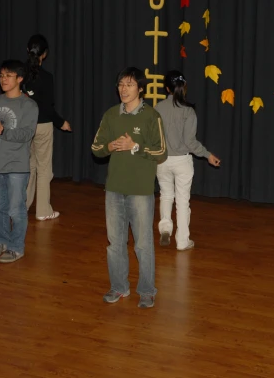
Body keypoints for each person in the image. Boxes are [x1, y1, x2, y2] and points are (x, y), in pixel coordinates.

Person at [91, 67, 167, 308]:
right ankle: (118, 287)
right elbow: (96, 148)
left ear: (141, 89)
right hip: (114, 188)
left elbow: (162, 152)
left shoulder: (152, 116)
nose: (124, 89)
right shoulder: (111, 115)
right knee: (115, 242)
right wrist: (110, 147)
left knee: (143, 243)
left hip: (141, 190)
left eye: (130, 85)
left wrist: (135, 146)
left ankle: (146, 290)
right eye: (121, 84)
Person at [0, 60, 38, 264]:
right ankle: (1, 240)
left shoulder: (28, 105)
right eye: (1, 75)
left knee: (16, 208)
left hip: (17, 166)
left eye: (8, 75)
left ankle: (16, 246)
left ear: (19, 79)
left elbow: (27, 133)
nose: (3, 79)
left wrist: (3, 130)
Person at [154, 71, 220, 251]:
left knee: (166, 195)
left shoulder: (158, 108)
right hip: (182, 162)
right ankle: (182, 241)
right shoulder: (188, 111)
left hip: (162, 160)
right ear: (184, 88)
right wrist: (208, 155)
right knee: (183, 201)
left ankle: (165, 227)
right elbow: (190, 142)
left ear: (166, 88)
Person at [22, 34, 71, 221]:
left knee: (28, 166)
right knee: (43, 169)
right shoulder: (46, 77)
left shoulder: (20, 73)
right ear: (45, 54)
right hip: (42, 126)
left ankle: (22, 206)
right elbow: (47, 108)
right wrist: (62, 123)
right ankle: (43, 210)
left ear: (28, 51)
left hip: (24, 127)